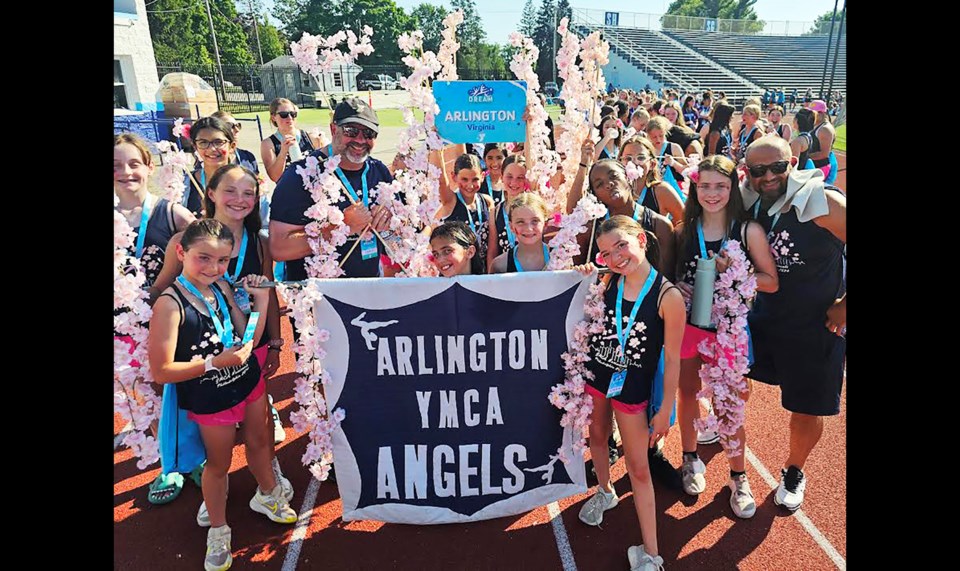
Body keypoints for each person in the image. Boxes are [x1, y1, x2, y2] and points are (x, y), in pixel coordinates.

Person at [149, 219, 299, 571]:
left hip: (247, 382)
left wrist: (260, 300)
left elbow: (247, 341)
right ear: (181, 252)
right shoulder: (170, 305)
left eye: (223, 261)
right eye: (204, 258)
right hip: (211, 395)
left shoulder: (222, 287)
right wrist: (213, 363)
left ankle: (267, 495)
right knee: (218, 465)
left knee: (262, 444)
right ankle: (219, 528)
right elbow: (161, 372)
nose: (214, 268)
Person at [573, 215, 685, 571]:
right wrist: (588, 272)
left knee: (638, 468)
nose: (616, 256)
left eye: (621, 245)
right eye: (606, 252)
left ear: (641, 238)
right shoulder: (606, 281)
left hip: (633, 388)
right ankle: (604, 492)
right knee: (598, 435)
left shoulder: (668, 297)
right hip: (599, 375)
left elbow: (672, 359)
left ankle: (651, 553)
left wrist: (666, 407)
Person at [741, 136, 846, 512]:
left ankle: (794, 470)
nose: (768, 176)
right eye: (758, 170)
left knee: (806, 407)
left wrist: (846, 306)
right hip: (764, 317)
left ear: (793, 163)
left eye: (777, 167)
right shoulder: (750, 199)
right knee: (732, 376)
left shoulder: (823, 202)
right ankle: (725, 430)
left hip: (814, 325)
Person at [672, 155, 778, 518]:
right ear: (694, 187)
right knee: (686, 393)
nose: (712, 193)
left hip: (728, 332)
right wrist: (680, 287)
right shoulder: (684, 230)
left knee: (728, 407)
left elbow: (772, 281)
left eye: (720, 186)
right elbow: (671, 280)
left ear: (732, 188)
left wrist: (736, 272)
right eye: (705, 186)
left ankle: (738, 476)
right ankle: (689, 458)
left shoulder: (747, 231)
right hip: (689, 327)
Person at [115, 133, 197, 505]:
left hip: (169, 321)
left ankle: (192, 456)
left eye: (134, 163)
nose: (126, 172)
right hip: (122, 327)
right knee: (142, 395)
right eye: (116, 166)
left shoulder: (173, 213)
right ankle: (167, 463)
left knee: (176, 390)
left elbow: (204, 258)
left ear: (149, 167)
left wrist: (161, 285)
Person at [269, 98, 394, 281]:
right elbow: (279, 248)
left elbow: (393, 242)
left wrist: (388, 226)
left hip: (370, 290)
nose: (360, 140)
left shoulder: (380, 171)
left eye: (369, 133)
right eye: (351, 131)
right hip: (319, 297)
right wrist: (342, 226)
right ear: (333, 129)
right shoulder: (300, 175)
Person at [437, 154, 496, 269]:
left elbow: (492, 242)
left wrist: (490, 272)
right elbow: (441, 181)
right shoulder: (451, 201)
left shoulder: (487, 201)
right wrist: (437, 147)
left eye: (475, 180)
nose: (470, 185)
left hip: (483, 271)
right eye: (464, 179)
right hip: (459, 273)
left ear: (483, 176)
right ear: (454, 177)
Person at [183, 117, 242, 217]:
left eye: (218, 142)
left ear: (232, 146)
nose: (211, 149)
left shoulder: (247, 181)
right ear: (195, 147)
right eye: (203, 143)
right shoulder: (184, 184)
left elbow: (263, 226)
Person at [619, 136, 684, 222]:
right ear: (619, 162)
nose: (634, 162)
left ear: (652, 164)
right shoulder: (615, 190)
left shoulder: (662, 191)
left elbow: (684, 222)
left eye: (641, 158)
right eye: (628, 158)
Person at [260, 98, 323, 183]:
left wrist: (323, 145)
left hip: (312, 191)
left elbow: (323, 168)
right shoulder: (268, 144)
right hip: (288, 192)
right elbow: (275, 177)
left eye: (293, 114)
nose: (289, 118)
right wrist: (283, 153)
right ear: (273, 117)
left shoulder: (310, 137)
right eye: (283, 114)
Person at [490, 193, 550, 273]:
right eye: (520, 222)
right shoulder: (500, 265)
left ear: (545, 224)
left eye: (535, 221)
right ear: (511, 227)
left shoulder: (561, 258)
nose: (528, 229)